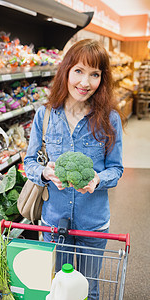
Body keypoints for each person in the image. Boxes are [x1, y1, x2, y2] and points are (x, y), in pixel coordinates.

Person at [24, 39, 125, 300]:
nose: (85, 82)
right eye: (78, 71)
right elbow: (29, 163)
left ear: (102, 79)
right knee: (58, 288)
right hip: (54, 222)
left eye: (95, 74)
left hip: (93, 223)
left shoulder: (109, 119)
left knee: (89, 289)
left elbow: (116, 169)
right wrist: (45, 173)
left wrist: (98, 179)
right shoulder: (44, 116)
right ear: (66, 71)